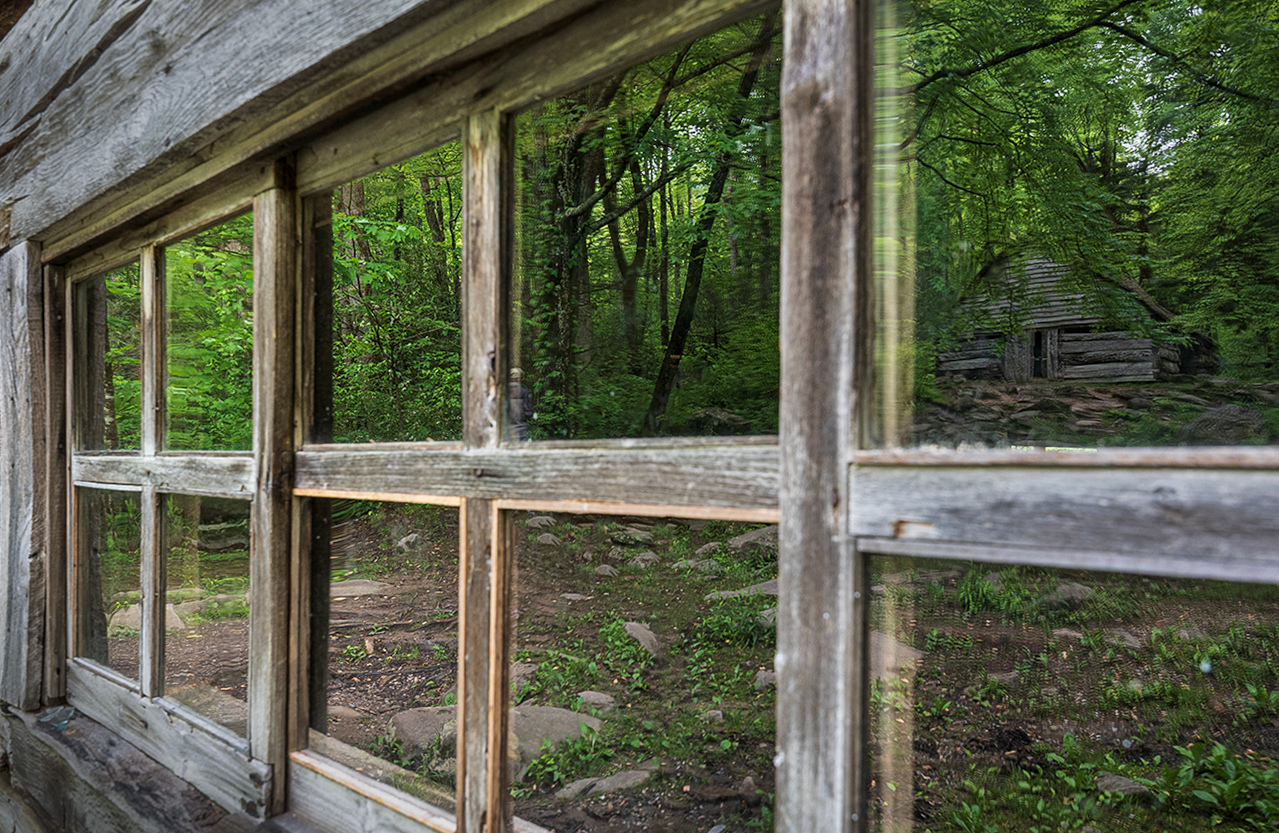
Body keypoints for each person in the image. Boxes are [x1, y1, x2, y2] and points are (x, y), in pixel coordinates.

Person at [507, 368, 534, 441]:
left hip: (506, 430)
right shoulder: (524, 392)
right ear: (519, 379)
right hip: (521, 430)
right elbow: (529, 412)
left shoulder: (503, 392)